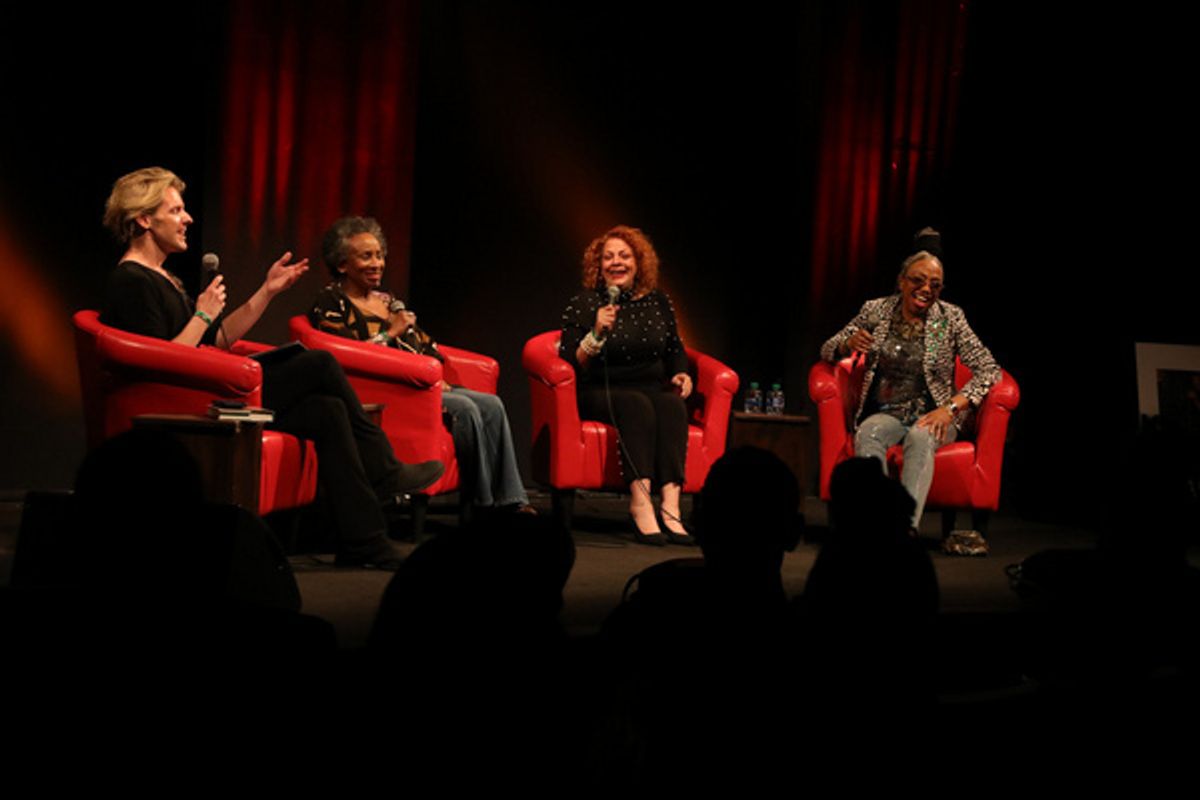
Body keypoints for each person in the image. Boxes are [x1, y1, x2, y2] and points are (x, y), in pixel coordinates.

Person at [99, 167, 443, 570]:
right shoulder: (132, 281)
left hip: (207, 388)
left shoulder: (162, 278)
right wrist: (202, 317)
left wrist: (266, 292)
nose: (187, 218)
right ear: (143, 219)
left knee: (328, 412)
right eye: (175, 210)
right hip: (188, 405)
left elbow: (214, 342)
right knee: (319, 363)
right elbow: (162, 363)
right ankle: (383, 469)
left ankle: (364, 541)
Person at [310, 216, 533, 513]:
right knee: (466, 409)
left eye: (379, 255)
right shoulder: (331, 303)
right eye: (366, 256)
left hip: (423, 383)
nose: (377, 263)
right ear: (341, 265)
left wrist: (437, 373)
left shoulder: (388, 301)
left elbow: (423, 345)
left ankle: (512, 500)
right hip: (389, 392)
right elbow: (346, 356)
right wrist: (390, 333)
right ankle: (483, 505)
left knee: (491, 404)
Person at [819, 228, 1000, 549]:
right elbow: (828, 349)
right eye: (918, 280)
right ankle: (872, 523)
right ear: (902, 280)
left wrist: (951, 408)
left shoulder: (951, 318)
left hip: (935, 414)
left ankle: (904, 531)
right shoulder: (876, 310)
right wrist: (848, 343)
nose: (925, 289)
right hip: (887, 412)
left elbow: (989, 369)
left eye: (935, 284)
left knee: (920, 434)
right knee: (868, 433)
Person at [560, 225, 693, 546]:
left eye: (624, 255)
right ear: (598, 264)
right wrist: (595, 333)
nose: (616, 263)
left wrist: (680, 373)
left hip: (650, 388)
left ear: (639, 262)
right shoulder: (585, 301)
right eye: (608, 257)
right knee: (636, 405)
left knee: (672, 404)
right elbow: (570, 358)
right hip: (601, 390)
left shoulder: (659, 301)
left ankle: (672, 506)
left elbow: (674, 347)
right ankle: (641, 502)